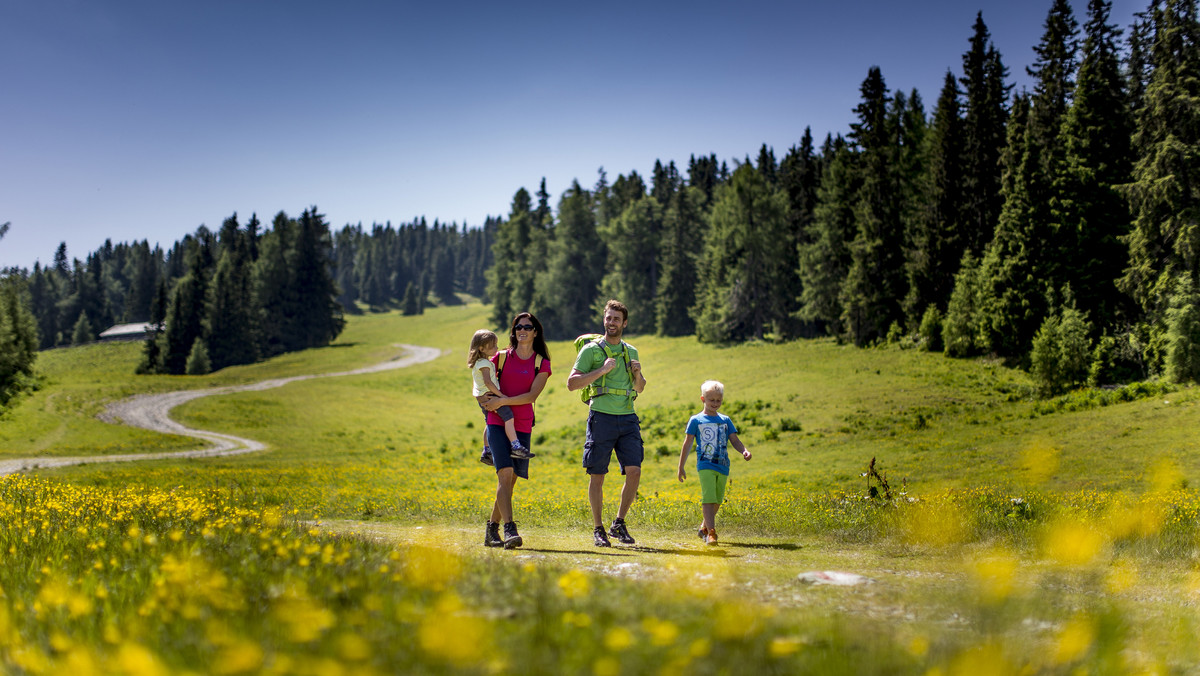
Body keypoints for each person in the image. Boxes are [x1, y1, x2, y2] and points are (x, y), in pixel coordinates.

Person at [567, 299, 647, 547]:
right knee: (597, 474)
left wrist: (637, 374)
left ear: (624, 322)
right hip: (601, 416)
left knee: (634, 470)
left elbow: (640, 388)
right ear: (604, 320)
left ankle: (619, 524)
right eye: (608, 318)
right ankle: (598, 528)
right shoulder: (591, 350)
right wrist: (601, 371)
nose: (611, 322)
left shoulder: (631, 351)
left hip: (628, 418)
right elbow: (572, 383)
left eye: (616, 319)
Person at [480, 312, 552, 549]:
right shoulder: (499, 358)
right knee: (505, 472)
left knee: (510, 480)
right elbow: (481, 385)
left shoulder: (542, 363)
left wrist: (502, 402)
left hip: (522, 424)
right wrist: (488, 402)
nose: (522, 330)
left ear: (535, 331)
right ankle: (510, 529)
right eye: (518, 326)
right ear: (514, 331)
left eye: (527, 326)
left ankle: (491, 529)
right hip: (497, 421)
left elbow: (532, 396)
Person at [676, 380, 752, 545]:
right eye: (711, 400)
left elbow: (734, 440)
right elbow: (687, 443)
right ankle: (711, 533)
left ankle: (703, 527)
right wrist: (681, 466)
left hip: (723, 465)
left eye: (718, 400)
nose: (715, 403)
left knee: (717, 500)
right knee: (709, 498)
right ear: (703, 399)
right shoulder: (696, 420)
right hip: (705, 464)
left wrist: (744, 450)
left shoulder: (725, 420)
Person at [468, 329, 532, 465]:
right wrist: (500, 395)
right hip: (490, 396)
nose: (496, 348)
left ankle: (486, 450)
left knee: (488, 422)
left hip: (482, 397)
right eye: (492, 346)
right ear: (481, 348)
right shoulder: (485, 364)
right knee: (508, 416)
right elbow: (488, 382)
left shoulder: (480, 362)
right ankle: (516, 446)